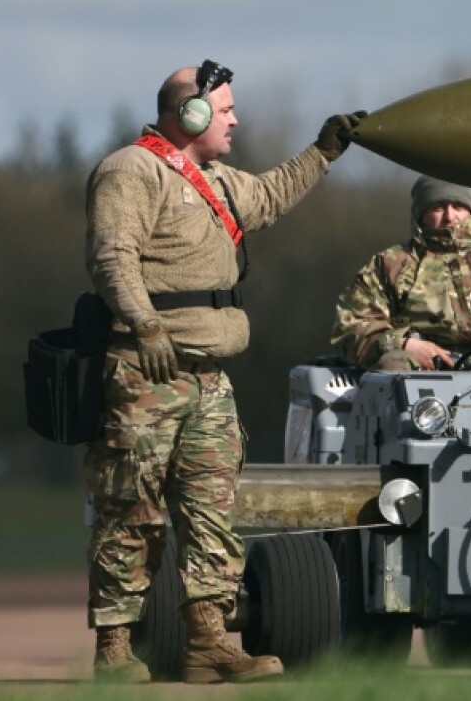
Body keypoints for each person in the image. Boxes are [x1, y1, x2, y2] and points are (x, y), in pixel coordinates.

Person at [84, 58, 365, 684]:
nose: (236, 118)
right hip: (144, 372)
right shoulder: (130, 171)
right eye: (227, 108)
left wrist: (324, 152)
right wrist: (146, 323)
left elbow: (268, 197)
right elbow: (112, 257)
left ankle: (209, 641)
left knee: (212, 510)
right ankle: (114, 647)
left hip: (210, 377)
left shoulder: (215, 179)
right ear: (191, 113)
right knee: (131, 508)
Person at [331, 176, 471, 373]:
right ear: (421, 213)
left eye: (458, 206)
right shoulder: (391, 264)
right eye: (438, 207)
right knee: (394, 364)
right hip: (424, 376)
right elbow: (349, 328)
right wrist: (403, 343)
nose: (449, 216)